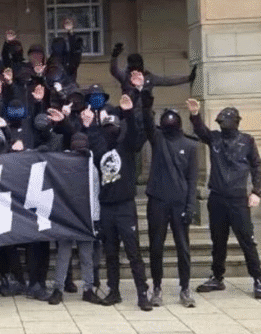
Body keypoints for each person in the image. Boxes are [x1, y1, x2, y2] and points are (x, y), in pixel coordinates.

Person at [187, 99, 261, 299]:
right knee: (218, 240)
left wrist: (256, 191)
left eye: (225, 122)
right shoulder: (215, 138)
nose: (222, 125)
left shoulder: (247, 141)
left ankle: (258, 278)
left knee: (247, 240)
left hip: (238, 199)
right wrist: (195, 115)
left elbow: (257, 165)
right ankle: (217, 276)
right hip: (217, 197)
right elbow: (201, 132)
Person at [85, 93, 153, 311]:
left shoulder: (127, 147)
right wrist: (90, 124)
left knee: (133, 252)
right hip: (107, 208)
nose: (110, 131)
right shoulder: (100, 152)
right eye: (106, 128)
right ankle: (113, 291)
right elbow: (93, 138)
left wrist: (129, 113)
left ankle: (142, 293)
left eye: (113, 127)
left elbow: (134, 133)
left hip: (125, 207)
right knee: (111, 253)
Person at [139, 88, 198, 308]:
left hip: (179, 202)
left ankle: (185, 288)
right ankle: (157, 287)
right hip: (158, 201)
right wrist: (145, 97)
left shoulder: (190, 145)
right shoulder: (158, 139)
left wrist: (190, 206)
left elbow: (192, 179)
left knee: (183, 247)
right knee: (156, 246)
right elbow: (147, 121)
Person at [48, 132, 103, 306]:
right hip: (69, 217)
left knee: (84, 256)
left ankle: (87, 289)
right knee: (65, 255)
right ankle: (59, 288)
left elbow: (95, 194)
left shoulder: (91, 167)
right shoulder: (64, 164)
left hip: (84, 218)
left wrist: (95, 219)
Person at [110, 43, 196, 95]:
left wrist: (188, 78)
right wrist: (114, 57)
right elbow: (114, 71)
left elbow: (167, 81)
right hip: (129, 114)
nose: (136, 70)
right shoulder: (125, 77)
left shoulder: (149, 78)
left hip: (146, 115)